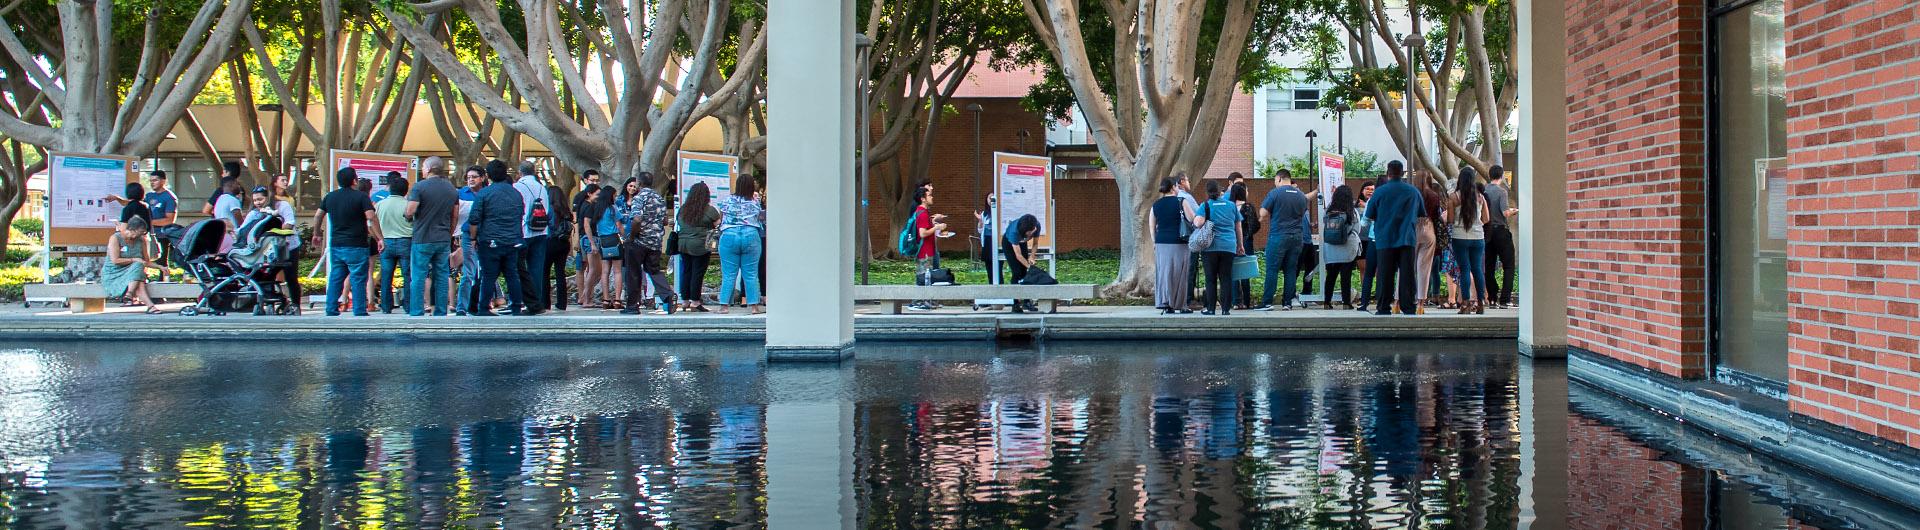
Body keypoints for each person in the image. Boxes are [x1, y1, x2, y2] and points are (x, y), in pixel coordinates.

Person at [312, 167, 384, 316]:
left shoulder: (330, 197)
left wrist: (316, 233)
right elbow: (371, 217)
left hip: (337, 244)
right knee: (358, 278)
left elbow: (318, 215)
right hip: (357, 244)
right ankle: (359, 310)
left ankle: (331, 308)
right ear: (354, 181)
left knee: (336, 277)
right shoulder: (361, 197)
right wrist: (380, 238)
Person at [1366, 161, 1426, 315]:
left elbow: (1370, 215)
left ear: (1388, 173)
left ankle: (1383, 307)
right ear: (1402, 173)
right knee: (1407, 274)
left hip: (1384, 238)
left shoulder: (1379, 192)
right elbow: (1421, 213)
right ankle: (1408, 307)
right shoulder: (1413, 191)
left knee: (1385, 274)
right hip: (1407, 237)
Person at [469, 160, 527, 316]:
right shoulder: (515, 193)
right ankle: (516, 305)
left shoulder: (484, 193)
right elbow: (521, 214)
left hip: (490, 240)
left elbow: (474, 219)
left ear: (488, 175)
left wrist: (473, 239)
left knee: (488, 275)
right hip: (513, 240)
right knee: (512, 274)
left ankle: (483, 308)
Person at [406, 156, 461, 316]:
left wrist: (407, 215)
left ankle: (416, 311)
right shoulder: (451, 189)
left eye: (423, 167)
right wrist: (449, 233)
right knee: (442, 275)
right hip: (443, 238)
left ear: (428, 169)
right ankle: (441, 311)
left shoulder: (419, 187)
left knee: (418, 276)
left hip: (422, 238)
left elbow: (410, 210)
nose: (422, 170)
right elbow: (455, 215)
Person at [239, 186, 302, 310]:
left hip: (289, 246)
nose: (258, 203)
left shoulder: (282, 206)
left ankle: (296, 305)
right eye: (255, 200)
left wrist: (275, 232)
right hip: (267, 249)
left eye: (260, 199)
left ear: (268, 198)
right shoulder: (254, 213)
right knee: (267, 276)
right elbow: (243, 229)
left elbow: (289, 222)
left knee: (291, 277)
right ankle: (269, 301)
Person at [621, 172, 675, 315]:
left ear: (639, 183)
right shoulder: (659, 198)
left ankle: (632, 306)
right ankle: (667, 295)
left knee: (633, 273)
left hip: (639, 241)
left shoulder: (639, 198)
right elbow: (664, 221)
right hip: (655, 241)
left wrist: (631, 237)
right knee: (654, 270)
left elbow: (637, 220)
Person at [1257, 169, 1310, 310]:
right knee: (1291, 270)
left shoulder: (1275, 193)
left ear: (1279, 178)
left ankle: (1267, 302)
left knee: (1272, 269)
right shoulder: (1301, 196)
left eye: (1275, 180)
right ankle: (1287, 302)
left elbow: (1262, 212)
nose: (1275, 183)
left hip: (1279, 235)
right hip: (1297, 237)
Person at [713, 175, 765, 314]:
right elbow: (760, 218)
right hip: (751, 236)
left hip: (729, 235)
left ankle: (724, 306)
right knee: (751, 273)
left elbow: (721, 219)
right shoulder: (755, 202)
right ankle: (754, 306)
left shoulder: (726, 200)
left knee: (729, 273)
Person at [1445, 167, 1492, 314]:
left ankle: (1465, 304)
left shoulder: (1454, 197)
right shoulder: (1480, 197)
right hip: (1478, 237)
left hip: (1459, 237)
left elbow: (1451, 220)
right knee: (1477, 269)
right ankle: (1480, 303)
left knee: (1464, 269)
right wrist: (1476, 224)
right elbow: (1486, 219)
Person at [1150, 176, 1198, 314]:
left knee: (1165, 273)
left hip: (1161, 242)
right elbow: (1192, 219)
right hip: (1179, 242)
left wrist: (1154, 241)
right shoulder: (1181, 201)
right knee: (1181, 273)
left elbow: (1151, 225)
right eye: (1176, 187)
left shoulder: (1156, 204)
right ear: (1172, 188)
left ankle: (1166, 303)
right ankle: (1181, 305)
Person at [510, 162, 553, 314]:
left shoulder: (517, 187)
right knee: (537, 269)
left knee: (518, 269)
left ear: (520, 172)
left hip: (524, 232)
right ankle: (537, 303)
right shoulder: (542, 187)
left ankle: (521, 301)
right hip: (541, 231)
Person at [1197, 181, 1243, 315]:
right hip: (1228, 246)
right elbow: (1238, 227)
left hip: (1210, 247)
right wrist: (1240, 245)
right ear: (1220, 191)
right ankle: (1225, 309)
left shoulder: (1205, 205)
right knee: (1226, 278)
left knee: (1210, 279)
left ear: (1208, 192)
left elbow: (1198, 223)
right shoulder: (1231, 205)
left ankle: (1211, 309)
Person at [676, 182, 721, 312]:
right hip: (701, 245)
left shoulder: (683, 209)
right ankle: (695, 302)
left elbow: (679, 221)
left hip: (683, 244)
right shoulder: (709, 210)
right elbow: (718, 223)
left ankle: (685, 301)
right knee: (698, 272)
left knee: (686, 271)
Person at [374, 176, 414, 313]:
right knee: (408, 275)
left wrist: (378, 239)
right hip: (406, 241)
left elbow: (371, 224)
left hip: (386, 242)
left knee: (386, 276)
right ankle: (409, 306)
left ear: (390, 189)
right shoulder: (409, 204)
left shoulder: (380, 204)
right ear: (406, 190)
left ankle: (386, 306)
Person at [103, 216, 160, 313]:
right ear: (131, 229)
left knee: (137, 272)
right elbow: (115, 260)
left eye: (142, 233)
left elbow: (145, 261)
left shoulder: (141, 240)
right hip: (115, 272)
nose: (138, 236)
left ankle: (132, 295)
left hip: (134, 272)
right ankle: (146, 304)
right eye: (138, 233)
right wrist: (134, 259)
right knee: (138, 271)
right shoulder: (115, 238)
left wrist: (160, 267)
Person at [905, 185, 949, 311]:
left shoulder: (922, 212)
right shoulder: (922, 213)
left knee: (925, 276)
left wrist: (934, 224)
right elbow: (922, 233)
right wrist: (937, 228)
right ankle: (917, 302)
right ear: (923, 198)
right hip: (925, 251)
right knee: (923, 276)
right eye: (929, 195)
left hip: (926, 250)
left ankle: (924, 301)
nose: (932, 197)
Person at [1483, 165, 1519, 308]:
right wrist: (1514, 211)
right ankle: (1505, 299)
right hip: (1501, 231)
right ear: (1501, 176)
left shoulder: (1483, 191)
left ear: (1490, 175)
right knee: (1509, 266)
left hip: (1487, 231)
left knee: (1489, 266)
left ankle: (1492, 297)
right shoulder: (1501, 192)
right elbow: (1505, 213)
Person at [1321, 185, 1363, 309]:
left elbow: (1325, 224)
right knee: (1346, 276)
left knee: (1331, 276)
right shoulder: (1352, 211)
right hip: (1348, 247)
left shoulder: (1329, 210)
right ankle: (1346, 303)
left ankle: (1327, 302)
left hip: (1330, 247)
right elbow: (1357, 229)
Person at [576, 185, 614, 308]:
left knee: (595, 270)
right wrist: (592, 243)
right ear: (589, 194)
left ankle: (585, 296)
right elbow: (586, 225)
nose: (599, 197)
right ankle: (586, 299)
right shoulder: (589, 206)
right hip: (590, 239)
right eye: (597, 194)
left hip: (589, 239)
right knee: (593, 270)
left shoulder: (586, 205)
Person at [455, 166, 486, 315]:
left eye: (474, 176)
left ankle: (481, 304)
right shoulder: (460, 194)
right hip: (468, 236)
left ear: (482, 178)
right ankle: (462, 306)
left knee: (485, 271)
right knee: (468, 271)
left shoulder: (488, 193)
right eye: (468, 177)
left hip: (486, 235)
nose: (471, 180)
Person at [1229, 176, 1259, 309]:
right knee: (1246, 271)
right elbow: (1255, 225)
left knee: (1233, 271)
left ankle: (1236, 302)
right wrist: (1248, 234)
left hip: (1231, 242)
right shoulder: (1248, 207)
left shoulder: (1229, 207)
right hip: (1247, 241)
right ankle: (1246, 301)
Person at [1356, 176, 1385, 311]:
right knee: (1384, 272)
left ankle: (1364, 302)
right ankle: (1382, 302)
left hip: (1374, 238)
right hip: (1390, 240)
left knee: (1369, 272)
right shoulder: (1394, 199)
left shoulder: (1372, 201)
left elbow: (1364, 222)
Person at [1415, 171, 1444, 311]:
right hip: (1428, 227)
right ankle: (1421, 303)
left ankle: (1400, 300)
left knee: (1407, 266)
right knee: (1424, 269)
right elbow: (1437, 216)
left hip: (1413, 229)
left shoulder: (1413, 193)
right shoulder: (1434, 195)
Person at [1003, 214, 1043, 313]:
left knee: (1025, 273)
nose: (1031, 234)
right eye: (1029, 233)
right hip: (1009, 244)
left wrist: (1032, 256)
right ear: (1024, 232)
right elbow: (1018, 256)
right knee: (1016, 272)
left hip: (1021, 243)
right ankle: (1015, 304)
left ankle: (1027, 301)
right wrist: (1030, 266)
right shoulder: (1014, 232)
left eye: (1032, 231)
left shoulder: (1036, 225)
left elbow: (1035, 243)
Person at [543, 183, 574, 310]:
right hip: (564, 243)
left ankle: (545, 302)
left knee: (544, 272)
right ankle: (562, 303)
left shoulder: (549, 209)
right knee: (560, 272)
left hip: (550, 241)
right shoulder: (566, 210)